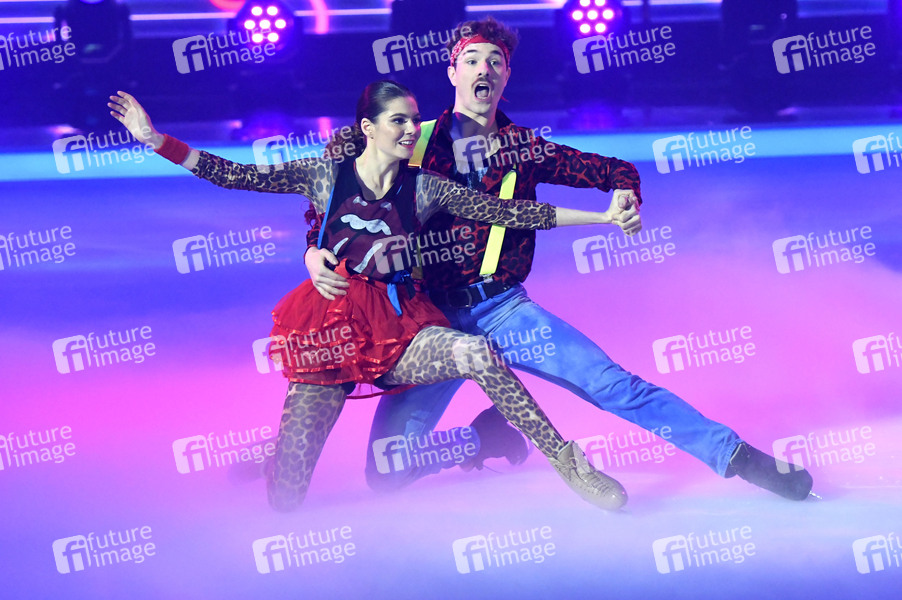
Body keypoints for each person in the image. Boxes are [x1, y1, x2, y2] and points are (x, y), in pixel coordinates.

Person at [304, 18, 814, 502]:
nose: (485, 69)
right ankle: (483, 439)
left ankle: (736, 455)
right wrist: (313, 249)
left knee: (611, 385)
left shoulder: (524, 148)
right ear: (452, 72)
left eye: (496, 61)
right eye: (473, 60)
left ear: (506, 76)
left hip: (504, 311)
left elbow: (613, 168)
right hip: (430, 323)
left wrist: (625, 194)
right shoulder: (412, 143)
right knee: (386, 473)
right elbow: (338, 199)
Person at [107, 81, 642, 511]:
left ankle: (571, 464)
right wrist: (156, 140)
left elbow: (511, 212)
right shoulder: (325, 174)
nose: (412, 130)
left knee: (475, 352)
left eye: (414, 119)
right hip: (327, 337)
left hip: (398, 330)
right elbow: (234, 175)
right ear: (369, 127)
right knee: (285, 502)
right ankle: (279, 461)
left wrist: (601, 217)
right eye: (399, 121)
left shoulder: (425, 186)